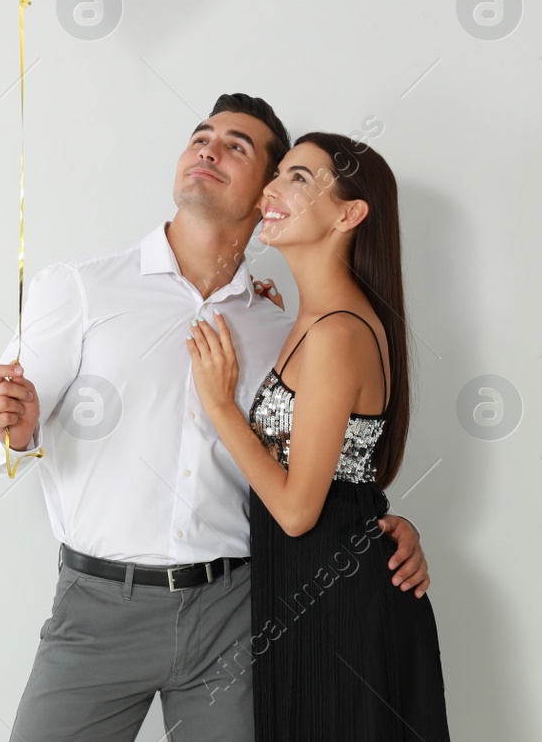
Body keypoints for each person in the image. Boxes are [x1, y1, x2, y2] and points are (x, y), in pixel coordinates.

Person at [0, 94, 432, 742]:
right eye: (200, 135)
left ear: (265, 192)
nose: (208, 148)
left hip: (238, 612)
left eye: (237, 145)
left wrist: (377, 524)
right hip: (98, 610)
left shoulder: (278, 326)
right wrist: (8, 429)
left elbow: (315, 462)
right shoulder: (80, 287)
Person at [186, 131, 450, 740]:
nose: (272, 189)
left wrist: (221, 407)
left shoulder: (337, 332)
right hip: (306, 597)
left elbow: (299, 509)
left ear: (350, 213)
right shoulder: (310, 319)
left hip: (342, 610)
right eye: (277, 174)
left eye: (299, 178)